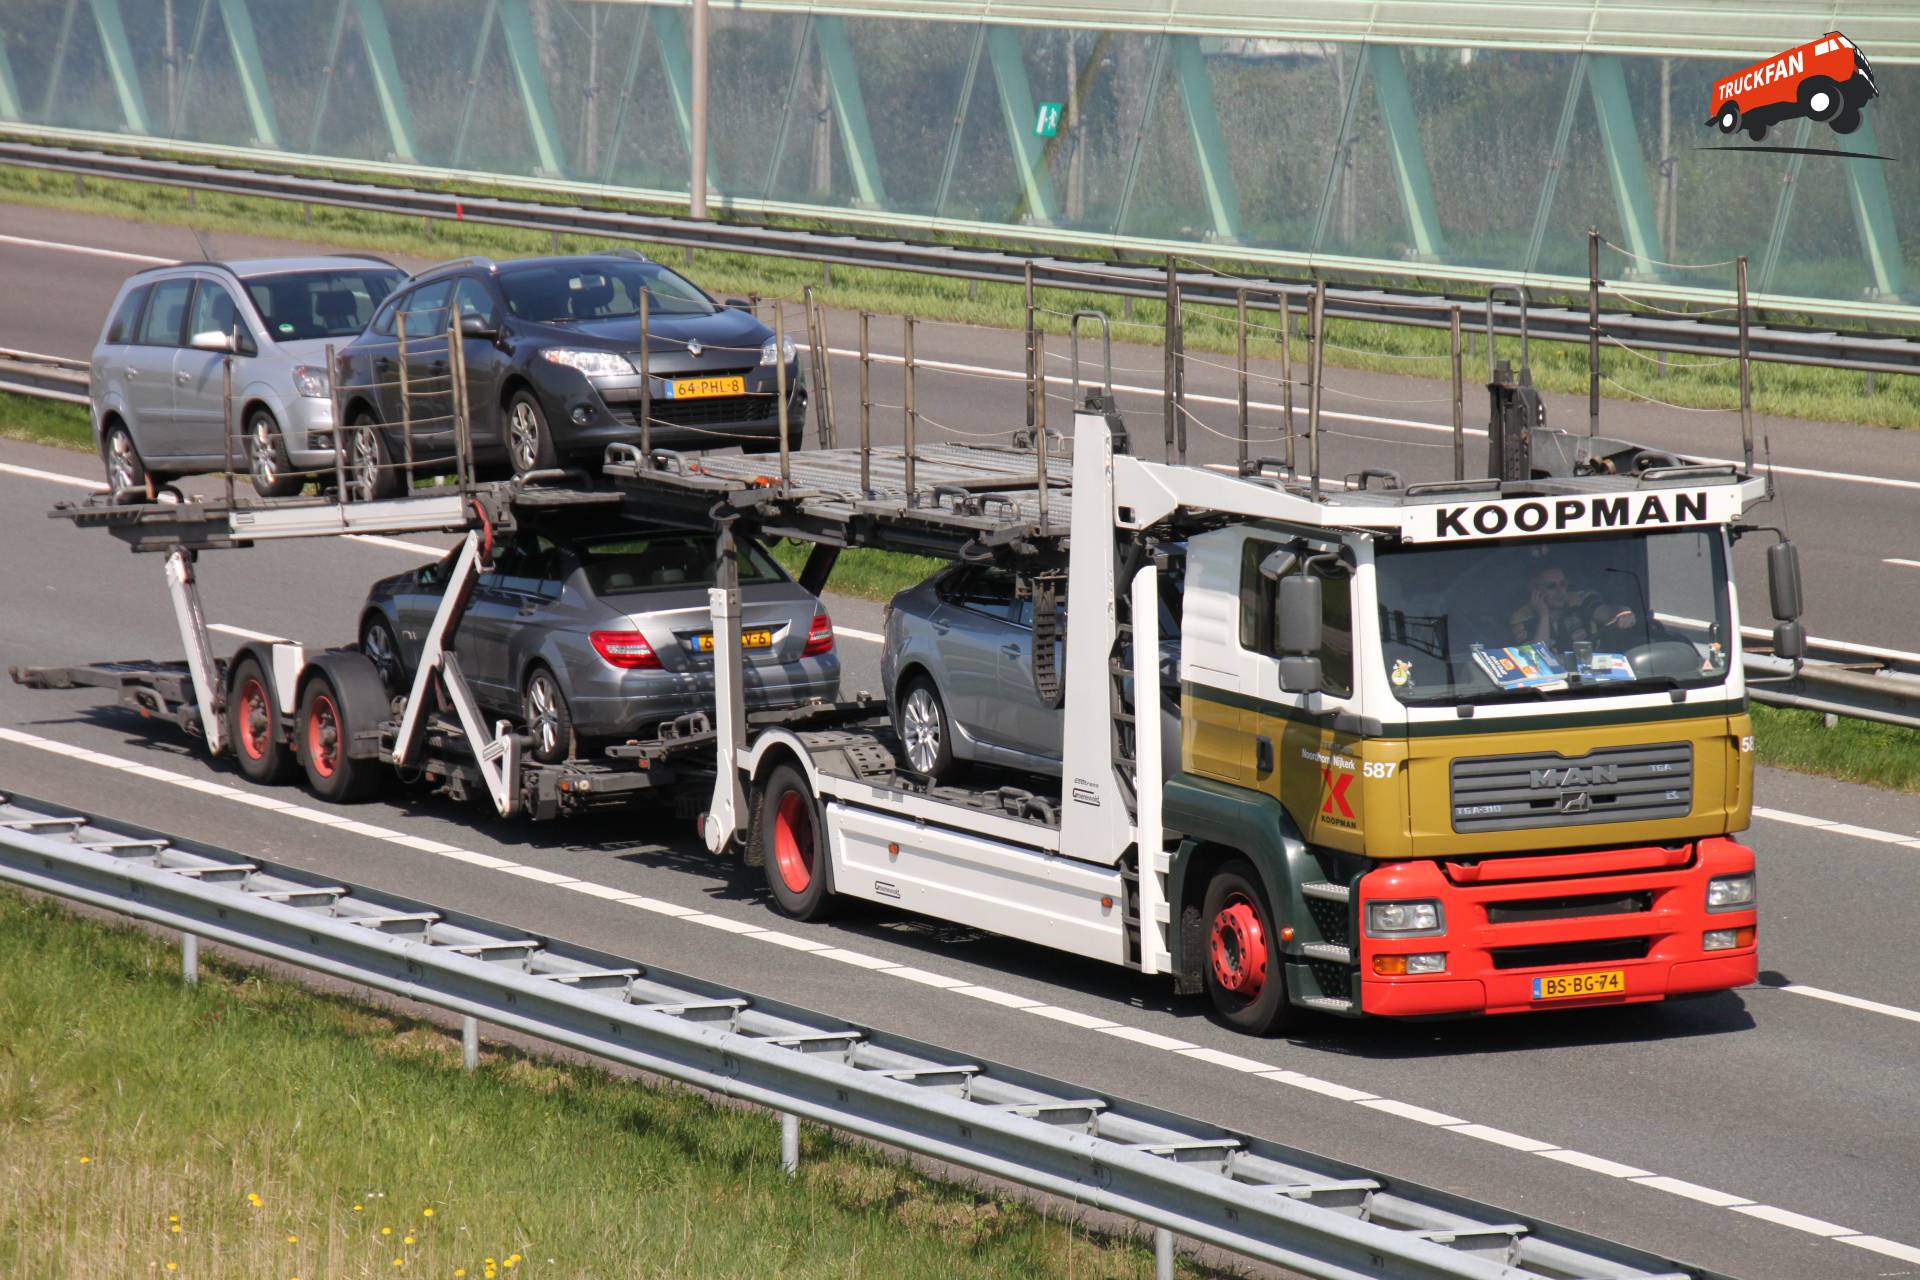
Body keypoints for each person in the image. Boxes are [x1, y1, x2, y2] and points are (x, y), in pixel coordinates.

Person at [1510, 562, 1635, 650]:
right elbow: (1536, 658)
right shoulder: (1521, 617)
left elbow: (1608, 613)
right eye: (1551, 586)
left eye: (1563, 584)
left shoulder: (1580, 599)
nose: (1560, 591)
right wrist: (1543, 615)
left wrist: (1623, 612)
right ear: (1536, 590)